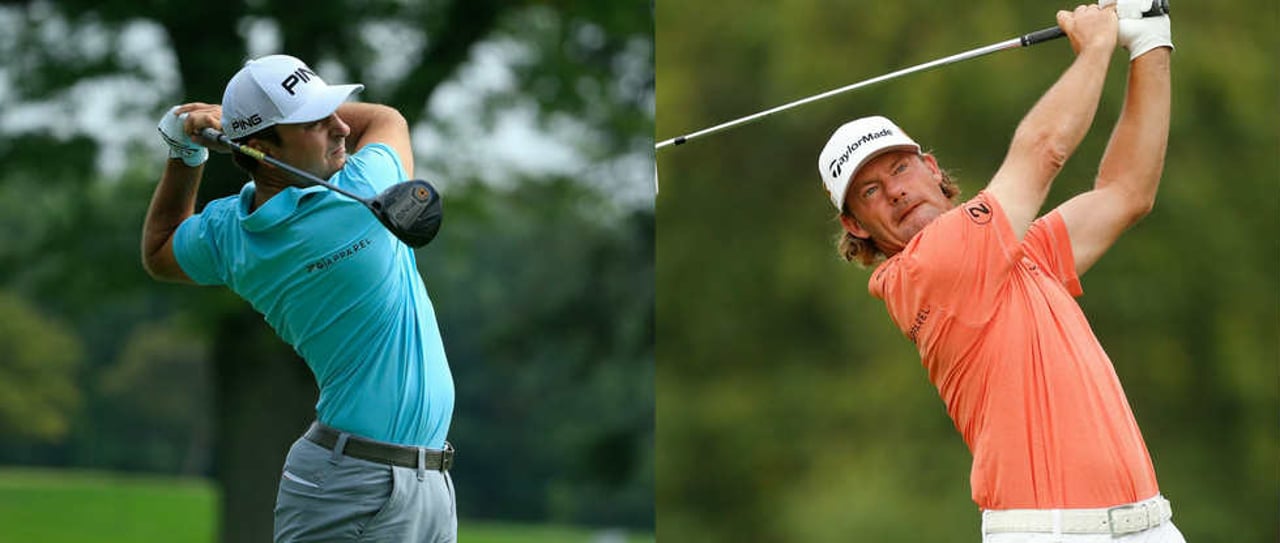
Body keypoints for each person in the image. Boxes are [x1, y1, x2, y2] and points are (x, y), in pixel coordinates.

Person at [816, 2, 1179, 542]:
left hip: (1149, 522)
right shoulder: (927, 268)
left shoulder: (1015, 252)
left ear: (931, 169)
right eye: (871, 191)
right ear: (857, 225)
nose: (895, 190)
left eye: (900, 168)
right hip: (1050, 533)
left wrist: (1150, 43)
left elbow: (1127, 192)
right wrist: (1098, 46)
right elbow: (1044, 150)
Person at [142, 54, 457, 542]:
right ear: (263, 148)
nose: (340, 128)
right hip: (355, 484)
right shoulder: (362, 190)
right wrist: (232, 126)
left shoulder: (231, 234)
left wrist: (186, 151)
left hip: (420, 479)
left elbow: (160, 250)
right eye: (315, 122)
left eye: (334, 111)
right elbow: (386, 118)